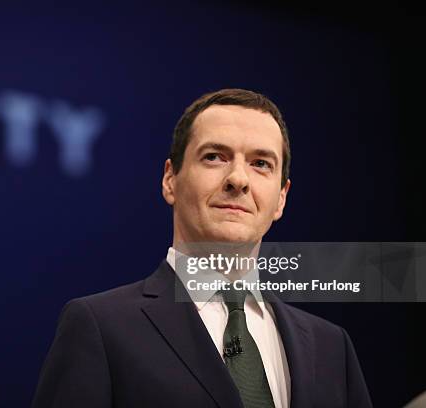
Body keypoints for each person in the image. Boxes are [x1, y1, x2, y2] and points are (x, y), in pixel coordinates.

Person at [32, 89, 372, 408]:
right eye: (214, 157)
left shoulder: (332, 348)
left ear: (281, 198)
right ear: (170, 180)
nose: (238, 179)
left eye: (261, 164)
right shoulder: (100, 327)